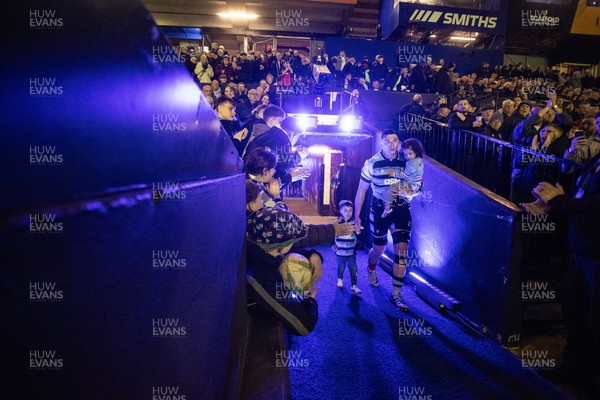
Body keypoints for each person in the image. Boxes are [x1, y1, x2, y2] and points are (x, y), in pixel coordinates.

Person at [521, 153, 600, 399]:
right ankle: (575, 371)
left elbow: (595, 209)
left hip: (596, 255)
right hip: (581, 250)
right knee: (576, 314)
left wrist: (559, 200)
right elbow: (582, 195)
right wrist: (551, 204)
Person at [354, 129, 421, 311]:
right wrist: (356, 217)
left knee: (402, 252)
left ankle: (396, 294)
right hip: (379, 208)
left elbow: (417, 186)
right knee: (379, 248)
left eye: (395, 140)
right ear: (381, 143)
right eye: (387, 141)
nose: (392, 144)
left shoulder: (406, 161)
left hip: (401, 208)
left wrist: (411, 192)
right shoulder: (372, 163)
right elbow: (361, 190)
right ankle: (371, 267)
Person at [246, 207, 322, 336]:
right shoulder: (265, 278)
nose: (295, 244)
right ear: (281, 248)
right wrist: (310, 301)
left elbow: (282, 254)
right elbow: (304, 325)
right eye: (292, 241)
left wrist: (313, 254)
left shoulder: (259, 247)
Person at [381, 138, 424, 218]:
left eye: (410, 154)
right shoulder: (417, 160)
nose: (407, 156)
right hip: (415, 184)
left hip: (410, 184)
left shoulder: (413, 165)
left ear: (416, 152)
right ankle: (408, 195)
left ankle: (387, 209)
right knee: (401, 192)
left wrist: (394, 174)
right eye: (405, 154)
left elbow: (404, 175)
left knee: (389, 190)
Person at [333, 200, 361, 294]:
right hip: (340, 252)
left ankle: (354, 285)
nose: (348, 213)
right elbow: (332, 235)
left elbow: (358, 232)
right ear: (340, 211)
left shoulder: (353, 222)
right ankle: (340, 279)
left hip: (351, 252)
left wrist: (358, 229)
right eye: (345, 210)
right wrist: (333, 245)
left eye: (350, 210)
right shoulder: (336, 223)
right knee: (341, 267)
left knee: (353, 269)